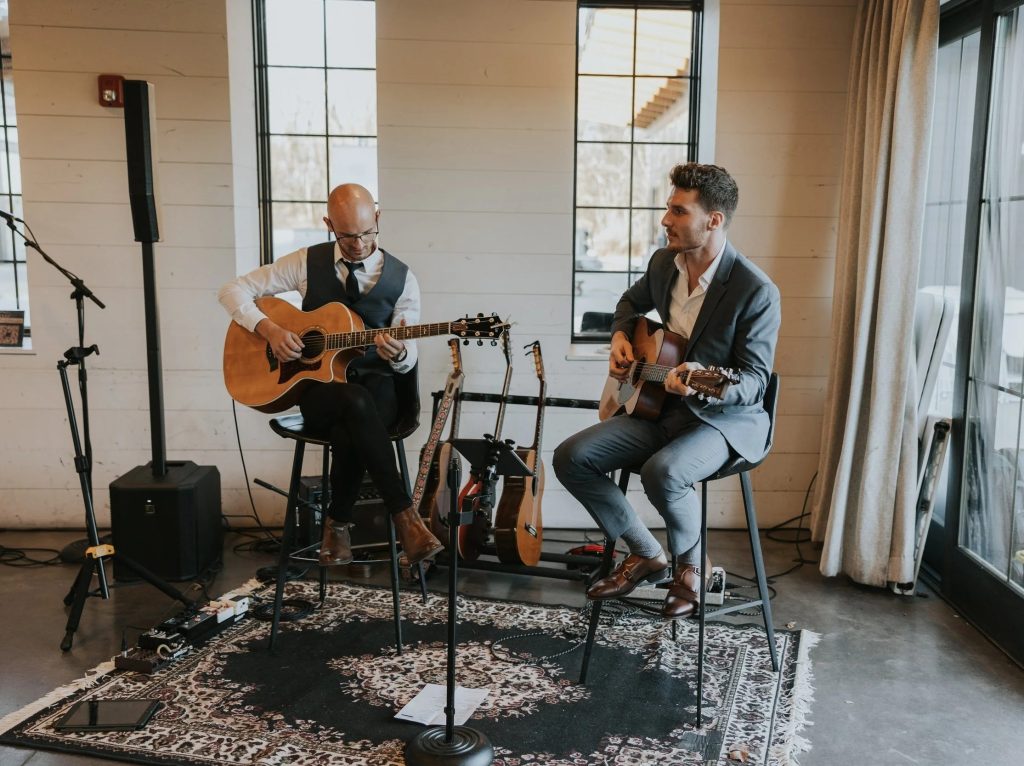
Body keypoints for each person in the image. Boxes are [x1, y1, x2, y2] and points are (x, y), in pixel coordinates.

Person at [553, 163, 781, 618]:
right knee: (570, 457)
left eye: (678, 211)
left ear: (713, 220)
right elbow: (628, 305)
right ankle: (646, 553)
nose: (665, 220)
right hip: (658, 410)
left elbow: (754, 381)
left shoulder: (755, 290)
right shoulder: (664, 265)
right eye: (668, 208)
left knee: (665, 472)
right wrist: (620, 337)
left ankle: (689, 569)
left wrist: (709, 383)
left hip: (721, 421)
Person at [219, 183, 443, 567]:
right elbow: (232, 290)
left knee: (354, 417)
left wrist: (401, 353)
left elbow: (409, 351)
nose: (358, 243)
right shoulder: (306, 262)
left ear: (378, 217)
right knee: (351, 403)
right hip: (318, 389)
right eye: (346, 235)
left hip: (380, 389)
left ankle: (337, 527)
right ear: (328, 224)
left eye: (366, 233)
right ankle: (406, 518)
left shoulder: (404, 279)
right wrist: (270, 330)